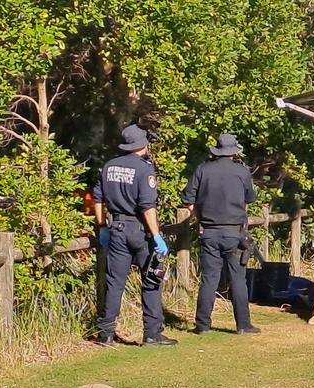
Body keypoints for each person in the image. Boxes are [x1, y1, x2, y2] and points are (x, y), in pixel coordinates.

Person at [93, 124, 177, 346]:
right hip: (140, 231)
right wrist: (156, 235)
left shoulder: (108, 166)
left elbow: (98, 199)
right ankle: (152, 333)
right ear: (143, 145)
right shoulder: (143, 169)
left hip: (116, 229)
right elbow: (147, 207)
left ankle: (106, 334)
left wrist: (102, 226)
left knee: (114, 282)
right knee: (151, 280)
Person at [181, 133, 260, 335]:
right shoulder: (242, 172)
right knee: (238, 280)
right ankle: (243, 324)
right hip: (234, 232)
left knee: (209, 279)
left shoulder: (202, 170)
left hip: (209, 231)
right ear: (234, 152)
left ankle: (202, 325)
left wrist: (200, 220)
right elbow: (249, 199)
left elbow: (188, 200)